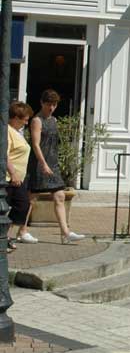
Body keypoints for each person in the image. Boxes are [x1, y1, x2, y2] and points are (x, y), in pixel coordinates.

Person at [22, 90, 84, 245]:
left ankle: (65, 233)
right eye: (49, 104)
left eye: (54, 104)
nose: (51, 107)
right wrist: (43, 163)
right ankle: (22, 231)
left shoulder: (54, 120)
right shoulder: (37, 120)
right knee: (31, 198)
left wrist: (54, 162)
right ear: (42, 103)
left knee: (60, 196)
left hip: (53, 163)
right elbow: (35, 144)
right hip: (38, 163)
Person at [6, 101, 33, 253]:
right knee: (15, 206)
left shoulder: (17, 132)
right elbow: (4, 154)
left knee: (23, 206)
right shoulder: (7, 131)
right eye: (25, 119)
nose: (26, 122)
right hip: (9, 178)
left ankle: (5, 236)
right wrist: (13, 173)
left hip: (18, 179)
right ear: (16, 117)